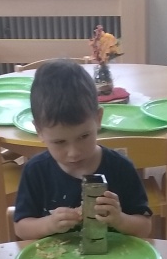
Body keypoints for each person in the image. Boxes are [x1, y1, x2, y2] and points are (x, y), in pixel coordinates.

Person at [12, 59, 153, 240]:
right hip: (55, 256)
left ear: (98, 119)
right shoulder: (36, 171)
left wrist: (120, 220)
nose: (74, 152)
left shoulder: (121, 167)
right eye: (59, 142)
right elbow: (21, 228)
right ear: (39, 131)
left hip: (114, 256)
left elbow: (144, 227)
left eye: (84, 136)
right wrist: (48, 224)